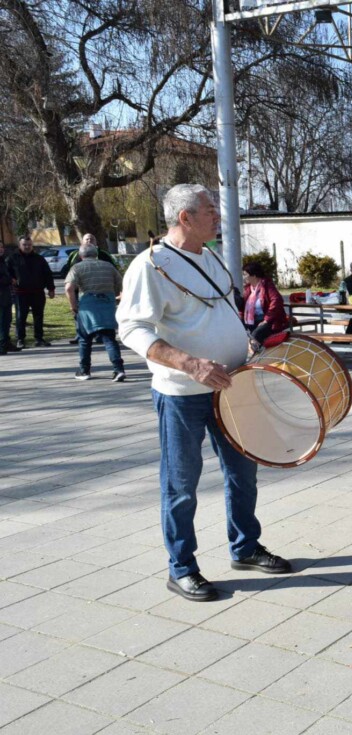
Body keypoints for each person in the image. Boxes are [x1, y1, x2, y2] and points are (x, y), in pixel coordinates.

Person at [117, 184, 292, 602]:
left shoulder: (210, 256)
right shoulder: (151, 266)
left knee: (242, 472)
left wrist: (246, 341)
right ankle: (182, 568)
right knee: (181, 483)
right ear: (185, 218)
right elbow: (131, 329)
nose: (218, 216)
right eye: (210, 211)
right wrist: (191, 363)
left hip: (232, 384)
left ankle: (245, 547)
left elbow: (222, 310)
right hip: (182, 393)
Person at [67, 243, 126, 381]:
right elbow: (123, 285)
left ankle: (84, 370)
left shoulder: (77, 267)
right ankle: (118, 369)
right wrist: (119, 298)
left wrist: (74, 306)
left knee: (84, 340)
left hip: (87, 308)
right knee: (109, 339)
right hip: (107, 306)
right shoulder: (108, 266)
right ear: (96, 254)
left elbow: (69, 288)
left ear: (81, 256)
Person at [9, 235, 55, 348]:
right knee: (21, 317)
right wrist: (11, 280)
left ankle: (39, 339)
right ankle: (20, 339)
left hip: (37, 292)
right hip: (21, 293)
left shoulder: (39, 258)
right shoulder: (12, 258)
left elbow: (47, 274)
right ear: (20, 245)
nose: (27, 247)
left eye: (29, 245)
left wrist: (51, 288)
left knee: (38, 316)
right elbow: (6, 272)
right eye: (24, 244)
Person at [241, 262, 288, 350]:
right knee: (237, 333)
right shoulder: (248, 289)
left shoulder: (267, 285)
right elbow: (243, 308)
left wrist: (266, 319)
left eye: (245, 274)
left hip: (269, 321)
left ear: (254, 275)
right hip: (252, 321)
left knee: (255, 335)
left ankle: (258, 358)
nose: (243, 277)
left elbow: (277, 300)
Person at [0, 244, 15, 355]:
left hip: (5, 297)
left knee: (7, 321)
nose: (1, 249)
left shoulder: (3, 261)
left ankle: (6, 342)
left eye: (1, 247)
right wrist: (9, 280)